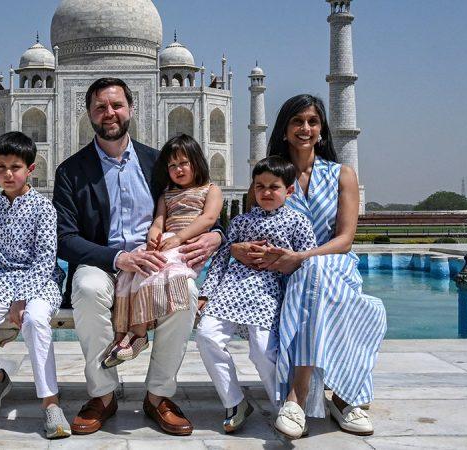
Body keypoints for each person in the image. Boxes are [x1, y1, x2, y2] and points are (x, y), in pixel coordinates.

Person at [52, 78, 223, 436]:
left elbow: (196, 201)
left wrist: (216, 235)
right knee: (86, 288)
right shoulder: (71, 171)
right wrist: (119, 258)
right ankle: (103, 395)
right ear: (88, 113)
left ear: (131, 108)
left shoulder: (157, 162)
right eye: (101, 107)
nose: (109, 113)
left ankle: (158, 396)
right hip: (103, 262)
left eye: (116, 105)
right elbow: (65, 239)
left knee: (186, 293)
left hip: (155, 260)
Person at [232, 94, 387, 439]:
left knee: (314, 273)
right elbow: (250, 229)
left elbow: (345, 239)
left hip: (334, 267)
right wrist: (238, 248)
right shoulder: (269, 177)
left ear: (322, 130)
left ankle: (297, 396)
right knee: (314, 279)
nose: (305, 128)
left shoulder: (342, 175)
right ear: (284, 129)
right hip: (280, 275)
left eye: (313, 122)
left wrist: (302, 258)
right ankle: (345, 399)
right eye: (297, 121)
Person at [0, 131, 71, 440]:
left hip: (41, 281)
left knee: (34, 320)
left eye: (15, 167)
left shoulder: (43, 208)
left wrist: (22, 299)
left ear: (30, 169)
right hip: (2, 281)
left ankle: (50, 401)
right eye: (1, 167)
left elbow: (45, 260)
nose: (8, 174)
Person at [195, 155, 317, 434]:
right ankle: (235, 402)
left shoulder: (297, 222)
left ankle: (287, 410)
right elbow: (221, 259)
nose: (266, 193)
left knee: (263, 351)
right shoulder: (241, 221)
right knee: (206, 336)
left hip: (267, 293)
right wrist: (206, 293)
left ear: (289, 190)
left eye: (274, 187)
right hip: (232, 289)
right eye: (260, 186)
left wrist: (285, 263)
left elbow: (308, 262)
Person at [103, 134, 223, 368]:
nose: (178, 169)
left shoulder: (211, 190)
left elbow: (208, 219)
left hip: (187, 246)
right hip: (168, 243)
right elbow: (159, 221)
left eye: (184, 163)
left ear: (197, 162)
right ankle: (127, 334)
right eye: (172, 165)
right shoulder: (167, 194)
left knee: (151, 270)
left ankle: (138, 333)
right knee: (133, 271)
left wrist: (178, 238)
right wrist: (153, 235)